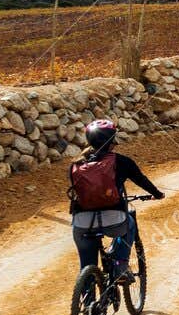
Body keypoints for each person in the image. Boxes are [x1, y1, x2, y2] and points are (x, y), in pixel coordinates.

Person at [68, 119, 163, 286]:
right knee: (130, 223)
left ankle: (88, 306)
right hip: (114, 219)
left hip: (82, 223)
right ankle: (120, 266)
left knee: (87, 265)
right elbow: (141, 180)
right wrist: (157, 194)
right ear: (112, 141)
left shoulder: (76, 165)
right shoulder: (122, 161)